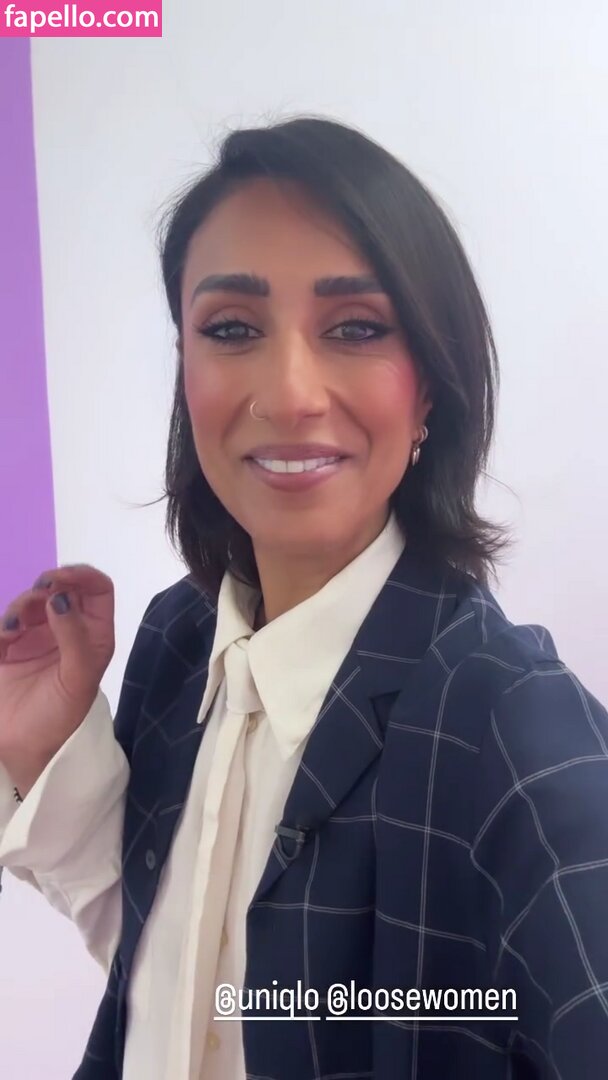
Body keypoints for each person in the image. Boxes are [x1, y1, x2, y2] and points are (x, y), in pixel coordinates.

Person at [0, 115, 607, 1080]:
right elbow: (187, 976)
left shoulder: (513, 727)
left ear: (431, 387)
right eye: (232, 329)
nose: (288, 394)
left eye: (356, 328)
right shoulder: (180, 639)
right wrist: (47, 752)